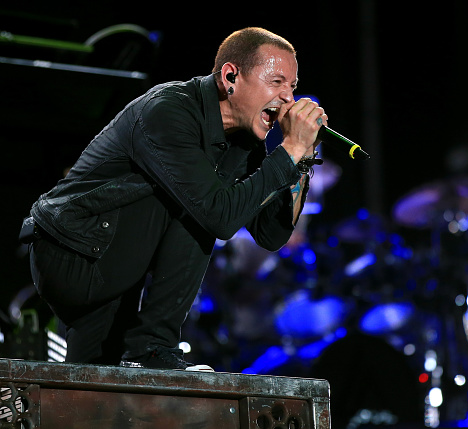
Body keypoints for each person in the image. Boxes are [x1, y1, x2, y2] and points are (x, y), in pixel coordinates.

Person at [20, 27, 327, 371]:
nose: (288, 98)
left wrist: (302, 158)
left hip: (117, 260)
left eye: (292, 86)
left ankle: (136, 359)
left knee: (96, 382)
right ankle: (153, 346)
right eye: (277, 82)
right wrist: (289, 149)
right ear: (231, 77)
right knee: (203, 209)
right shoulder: (169, 110)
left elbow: (271, 234)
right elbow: (218, 217)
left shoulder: (244, 139)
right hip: (72, 252)